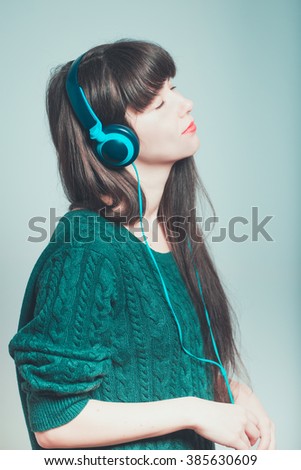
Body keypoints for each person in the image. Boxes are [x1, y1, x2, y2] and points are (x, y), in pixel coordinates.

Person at [9, 39, 275, 451]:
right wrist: (196, 410)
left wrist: (230, 390)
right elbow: (54, 422)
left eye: (173, 89)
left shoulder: (173, 233)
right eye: (158, 103)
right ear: (114, 141)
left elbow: (157, 362)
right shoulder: (86, 253)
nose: (186, 103)